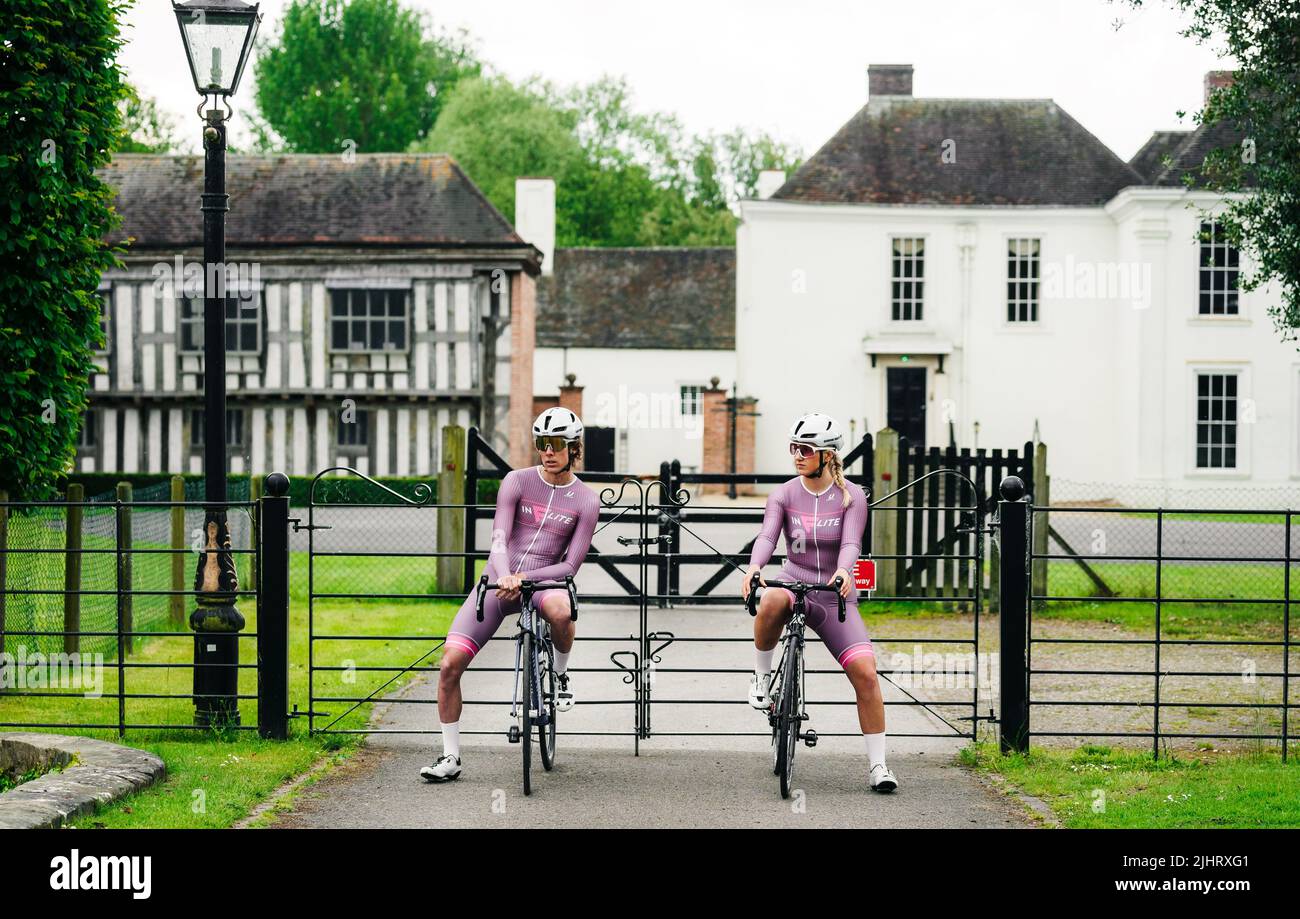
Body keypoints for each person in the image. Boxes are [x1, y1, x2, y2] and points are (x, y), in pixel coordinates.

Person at [420, 407, 600, 783]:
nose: (547, 452)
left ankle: (561, 677)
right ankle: (450, 757)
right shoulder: (516, 481)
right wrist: (505, 576)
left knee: (563, 612)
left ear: (574, 448)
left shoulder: (586, 500)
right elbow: (499, 539)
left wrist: (525, 577)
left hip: (543, 583)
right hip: (498, 579)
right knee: (449, 664)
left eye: (555, 445)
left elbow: (570, 567)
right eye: (540, 444)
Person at [741, 412, 898, 792]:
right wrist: (754, 567)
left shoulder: (852, 496)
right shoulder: (783, 494)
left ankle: (878, 766)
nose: (797, 455)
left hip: (832, 594)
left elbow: (851, 544)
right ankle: (762, 678)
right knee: (772, 597)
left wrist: (845, 571)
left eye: (805, 449)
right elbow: (767, 535)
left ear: (828, 456)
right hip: (793, 581)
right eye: (793, 448)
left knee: (866, 674)